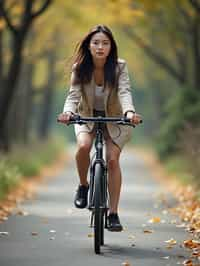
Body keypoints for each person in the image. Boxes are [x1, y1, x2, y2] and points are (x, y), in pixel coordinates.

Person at [58, 25, 141, 232]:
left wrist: (129, 112)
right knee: (84, 146)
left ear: (111, 46)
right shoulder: (80, 67)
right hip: (86, 116)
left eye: (105, 43)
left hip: (115, 119)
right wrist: (67, 112)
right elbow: (73, 96)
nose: (100, 47)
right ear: (89, 45)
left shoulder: (120, 67)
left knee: (112, 160)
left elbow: (124, 92)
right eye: (96, 43)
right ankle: (84, 185)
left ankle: (113, 213)